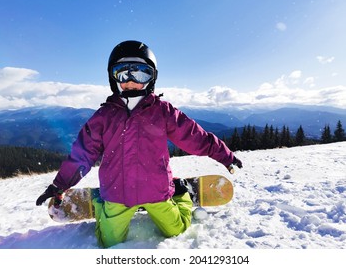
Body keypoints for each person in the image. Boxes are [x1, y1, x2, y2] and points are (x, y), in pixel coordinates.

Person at [36, 40, 243, 248]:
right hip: (117, 194)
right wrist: (60, 184)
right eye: (123, 73)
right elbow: (82, 154)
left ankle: (181, 192)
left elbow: (195, 137)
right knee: (108, 242)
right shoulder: (104, 117)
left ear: (151, 78)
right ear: (112, 77)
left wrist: (226, 156)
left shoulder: (163, 111)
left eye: (140, 73)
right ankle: (102, 204)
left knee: (177, 229)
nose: (131, 81)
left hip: (157, 191)